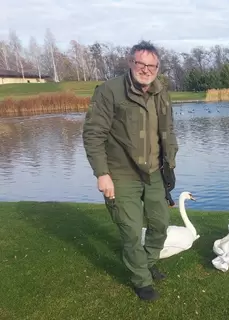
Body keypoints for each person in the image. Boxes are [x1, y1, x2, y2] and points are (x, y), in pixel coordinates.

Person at [82, 40, 178, 301]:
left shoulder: (161, 90)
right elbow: (93, 134)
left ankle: (145, 262)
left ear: (157, 67)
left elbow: (168, 129)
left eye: (151, 65)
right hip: (121, 174)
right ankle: (141, 280)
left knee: (160, 224)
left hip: (155, 171)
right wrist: (102, 173)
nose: (145, 69)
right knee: (131, 229)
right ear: (130, 62)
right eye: (140, 63)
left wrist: (170, 163)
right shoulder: (109, 91)